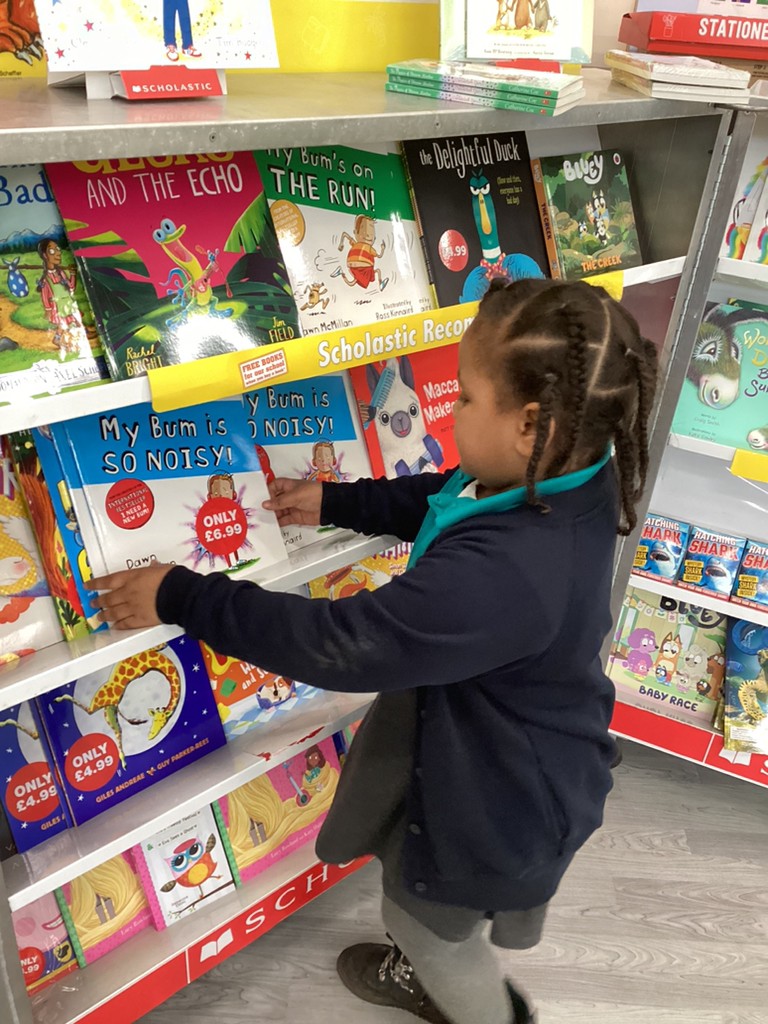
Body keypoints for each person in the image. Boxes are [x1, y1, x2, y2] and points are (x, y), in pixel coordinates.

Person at [86, 278, 658, 1024]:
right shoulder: (567, 468)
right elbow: (449, 494)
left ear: (529, 424)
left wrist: (182, 596)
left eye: (463, 399)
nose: (450, 411)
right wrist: (338, 501)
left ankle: (486, 1011)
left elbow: (338, 644)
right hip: (517, 744)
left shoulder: (507, 575)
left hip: (501, 799)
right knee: (433, 908)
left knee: (431, 927)